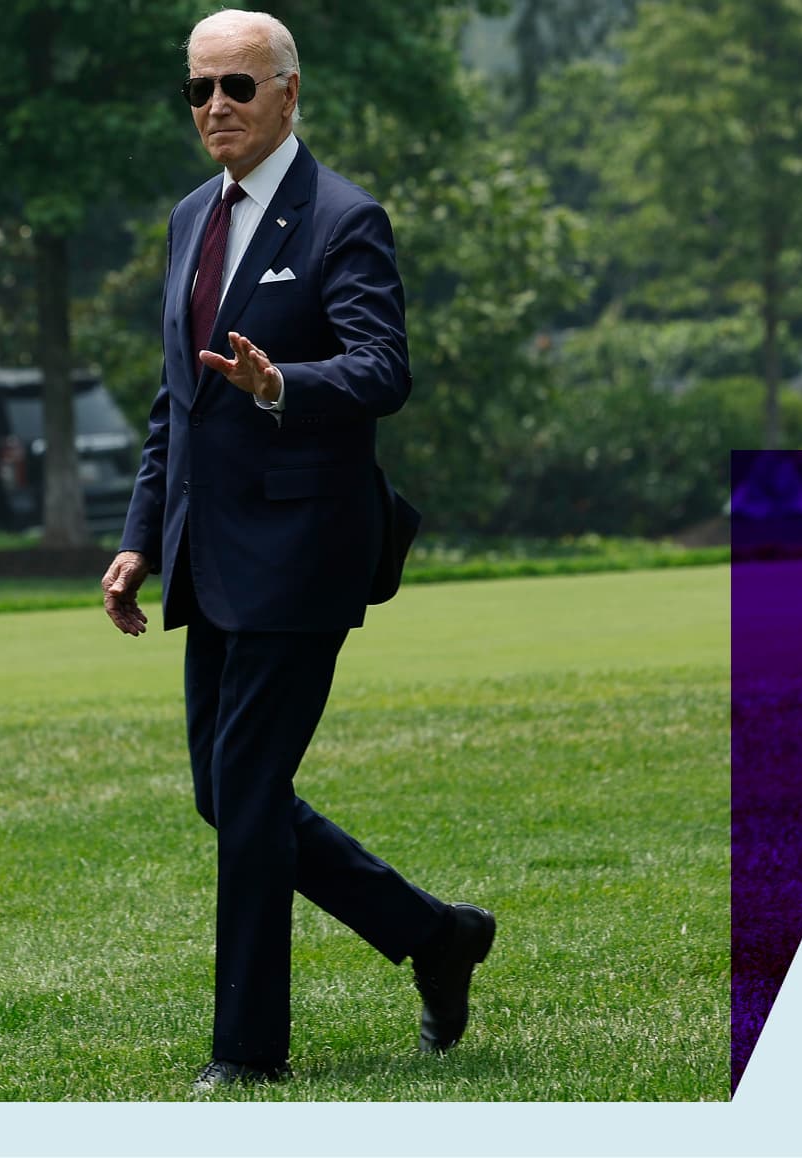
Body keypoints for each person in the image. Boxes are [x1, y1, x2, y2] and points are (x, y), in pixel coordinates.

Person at [100, 9, 496, 1095]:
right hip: (205, 556)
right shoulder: (191, 219)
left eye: (237, 85)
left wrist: (284, 385)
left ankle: (247, 1052)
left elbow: (383, 370)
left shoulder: (343, 218)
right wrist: (139, 539)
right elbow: (172, 402)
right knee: (230, 798)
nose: (215, 106)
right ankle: (436, 934)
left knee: (249, 793)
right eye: (199, 90)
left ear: (287, 92)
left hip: (304, 551)